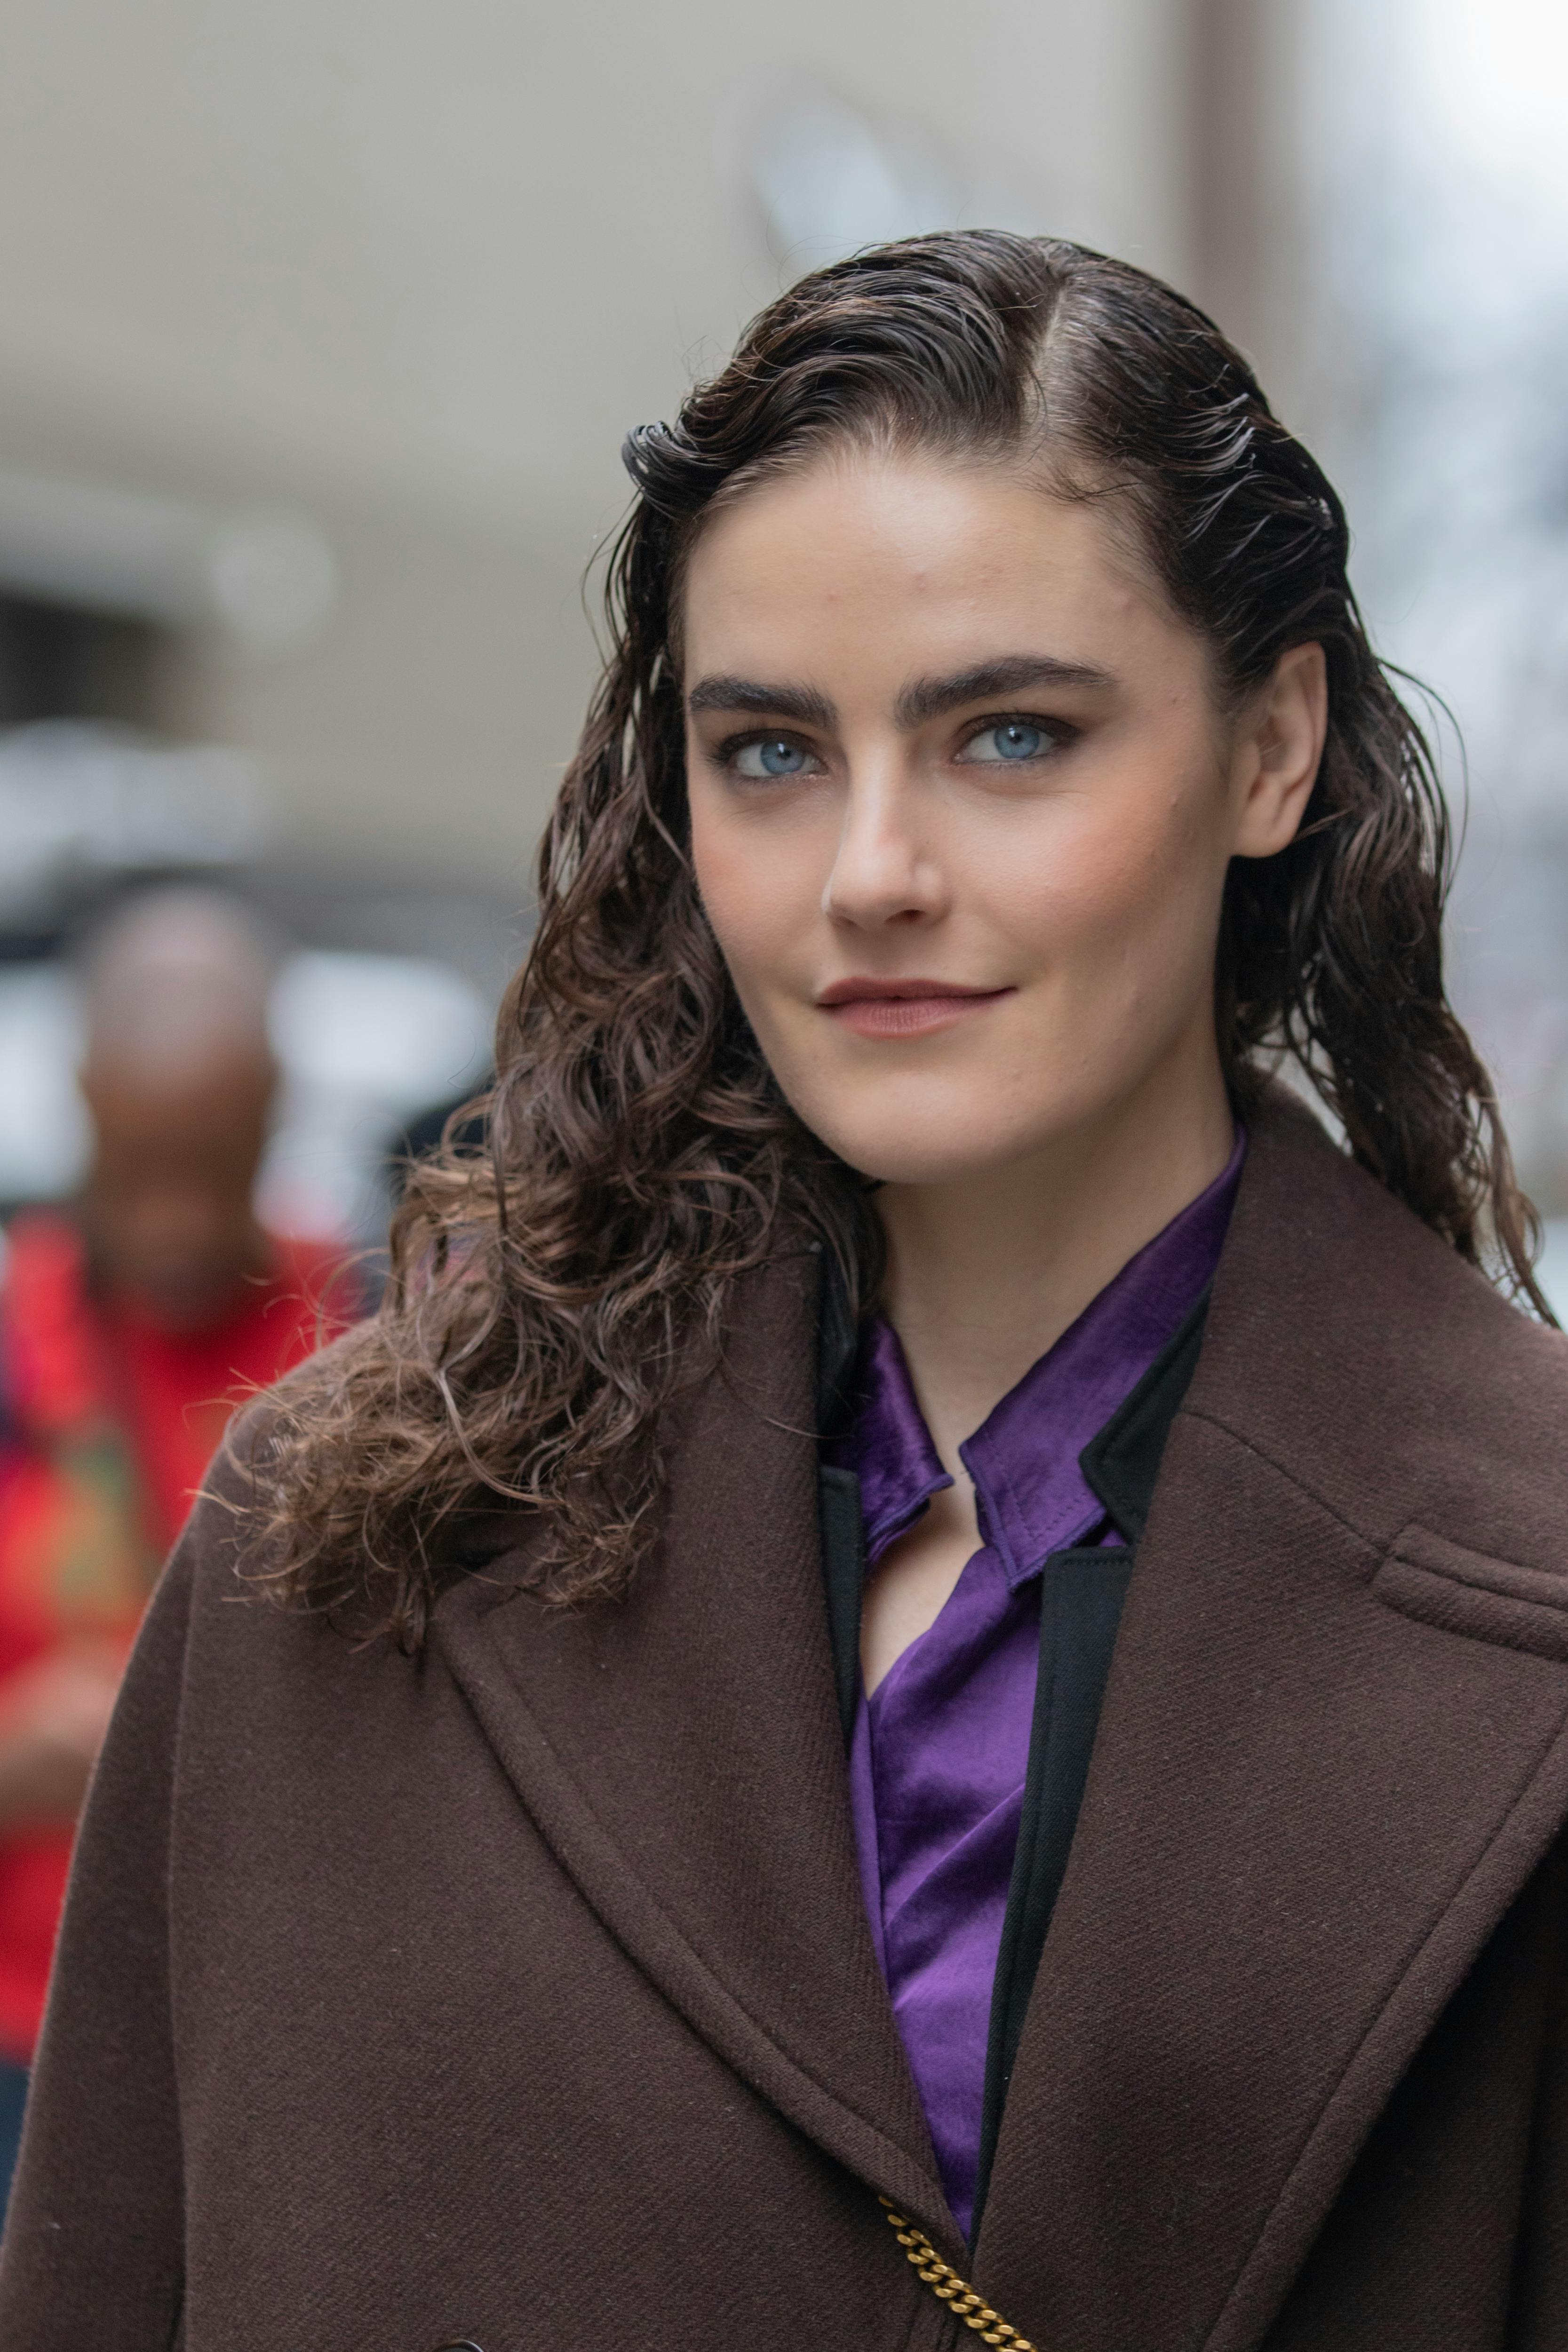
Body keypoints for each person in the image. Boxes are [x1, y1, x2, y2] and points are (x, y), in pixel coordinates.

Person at [1, 234, 1565, 2352]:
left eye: (1011, 735)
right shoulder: (338, 1556)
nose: (870, 873)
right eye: (770, 751)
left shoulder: (1525, 1594)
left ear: (1272, 745)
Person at [0, 890, 350, 2208]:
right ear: (81, 1104)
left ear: (274, 1113)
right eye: (139, 1169)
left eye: (212, 1168)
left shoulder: (376, 1344)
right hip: (27, 2042)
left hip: (274, 2039)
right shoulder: (11, 1345)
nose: (176, 1225)